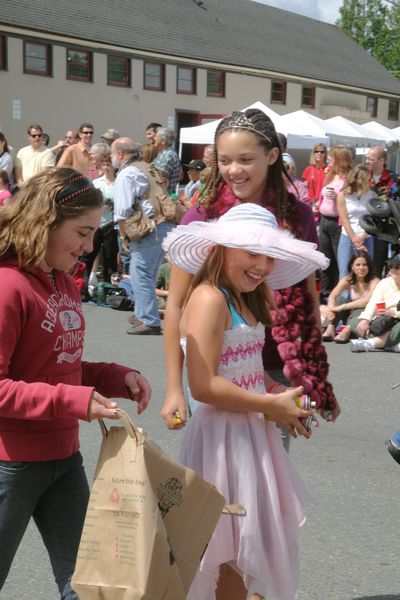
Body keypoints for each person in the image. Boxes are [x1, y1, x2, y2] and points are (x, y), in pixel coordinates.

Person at [162, 203, 328, 600]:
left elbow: (248, 373)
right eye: (251, 253)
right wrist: (270, 406)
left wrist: (282, 398)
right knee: (228, 552)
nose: (262, 265)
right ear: (219, 248)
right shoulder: (209, 299)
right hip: (222, 440)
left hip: (248, 433)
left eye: (269, 257)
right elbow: (203, 386)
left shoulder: (244, 299)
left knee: (246, 549)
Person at [0, 167, 151, 598]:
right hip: (10, 463)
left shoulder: (61, 278)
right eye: (82, 233)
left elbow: (58, 368)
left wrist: (115, 377)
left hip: (64, 460)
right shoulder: (7, 286)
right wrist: (73, 399)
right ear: (44, 222)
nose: (89, 247)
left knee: (90, 585)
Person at [161, 108, 339, 443]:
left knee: (267, 474)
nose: (233, 170)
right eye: (225, 160)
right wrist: (173, 388)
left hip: (279, 367)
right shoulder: (204, 216)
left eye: (245, 159)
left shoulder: (298, 216)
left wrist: (312, 375)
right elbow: (176, 305)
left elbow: (310, 297)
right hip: (221, 369)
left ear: (271, 156)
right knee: (221, 480)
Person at [111, 137, 175, 335]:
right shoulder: (147, 167)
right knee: (148, 273)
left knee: (140, 273)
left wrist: (123, 237)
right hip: (165, 224)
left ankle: (149, 320)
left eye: (113, 154)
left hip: (148, 229)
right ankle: (143, 314)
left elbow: (122, 210)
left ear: (120, 154)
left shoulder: (126, 174)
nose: (113, 158)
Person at [318, 145, 354, 300]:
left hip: (337, 223)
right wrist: (323, 194)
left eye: (332, 156)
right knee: (325, 259)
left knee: (340, 261)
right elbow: (322, 193)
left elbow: (351, 200)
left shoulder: (349, 178)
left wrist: (337, 196)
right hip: (324, 220)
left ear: (339, 158)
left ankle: (339, 294)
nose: (328, 159)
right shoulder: (331, 175)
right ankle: (325, 293)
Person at [322, 251, 379, 343]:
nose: (361, 268)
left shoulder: (374, 281)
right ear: (352, 266)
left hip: (365, 312)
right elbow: (333, 295)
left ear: (369, 267)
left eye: (365, 265)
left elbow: (366, 301)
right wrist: (331, 308)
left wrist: (342, 307)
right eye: (358, 265)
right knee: (340, 299)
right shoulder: (347, 279)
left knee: (359, 309)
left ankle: (347, 330)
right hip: (350, 311)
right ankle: (330, 327)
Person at [350, 253, 400, 352]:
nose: (392, 270)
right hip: (382, 320)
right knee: (354, 322)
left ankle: (371, 343)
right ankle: (391, 344)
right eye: (390, 266)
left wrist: (394, 313)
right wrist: (366, 320)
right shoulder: (384, 282)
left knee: (398, 327)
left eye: (397, 267)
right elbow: (373, 303)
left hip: (397, 320)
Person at [365, 145, 399, 277]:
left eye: (370, 159)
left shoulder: (394, 179)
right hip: (363, 227)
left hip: (385, 231)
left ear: (381, 161)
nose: (367, 161)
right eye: (366, 158)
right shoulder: (363, 177)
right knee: (361, 265)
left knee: (378, 268)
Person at [337, 165, 374, 280]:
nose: (370, 179)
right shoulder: (343, 195)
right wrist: (355, 240)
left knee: (365, 274)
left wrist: (363, 236)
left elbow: (373, 219)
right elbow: (345, 221)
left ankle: (363, 298)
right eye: (368, 177)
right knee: (345, 274)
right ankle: (344, 298)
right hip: (347, 238)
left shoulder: (372, 195)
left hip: (366, 238)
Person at [301, 143, 328, 218]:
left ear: (325, 154)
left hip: (324, 205)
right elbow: (304, 188)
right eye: (317, 151)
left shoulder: (329, 170)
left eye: (322, 152)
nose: (319, 153)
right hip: (310, 205)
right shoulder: (309, 169)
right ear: (313, 153)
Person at [152, 127, 181, 194]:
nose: (154, 138)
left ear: (163, 142)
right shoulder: (164, 153)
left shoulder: (168, 155)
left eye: (156, 136)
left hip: (163, 196)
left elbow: (161, 179)